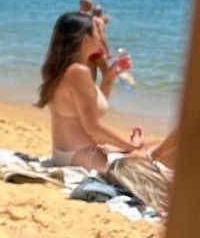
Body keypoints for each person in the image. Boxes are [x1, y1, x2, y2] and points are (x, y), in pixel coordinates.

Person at [36, 12, 142, 169]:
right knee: (152, 153)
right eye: (97, 32)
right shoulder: (78, 71)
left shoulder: (63, 69)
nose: (100, 36)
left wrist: (109, 77)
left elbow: (93, 108)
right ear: (86, 39)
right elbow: (92, 127)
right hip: (82, 156)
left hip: (67, 154)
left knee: (154, 148)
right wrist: (133, 147)